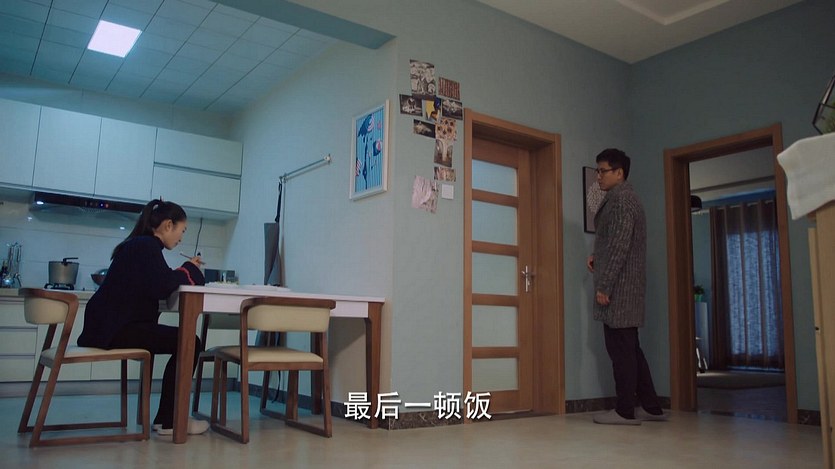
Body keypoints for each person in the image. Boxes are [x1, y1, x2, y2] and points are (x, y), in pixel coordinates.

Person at [78, 199, 209, 436]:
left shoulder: (139, 245)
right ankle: (170, 421)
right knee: (190, 341)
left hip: (109, 329)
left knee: (186, 340)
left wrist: (184, 270)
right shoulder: (146, 246)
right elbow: (163, 285)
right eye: (182, 230)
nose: (181, 238)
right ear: (168, 225)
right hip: (116, 330)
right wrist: (190, 269)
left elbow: (158, 282)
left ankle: (167, 419)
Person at [586, 148, 668, 425]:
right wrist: (596, 257)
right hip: (624, 287)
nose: (598, 176)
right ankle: (651, 407)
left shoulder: (622, 201)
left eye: (603, 171)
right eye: (597, 171)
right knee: (631, 349)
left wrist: (605, 286)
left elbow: (620, 247)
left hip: (620, 290)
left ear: (619, 172)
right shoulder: (621, 199)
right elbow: (614, 242)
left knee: (621, 351)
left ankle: (624, 410)